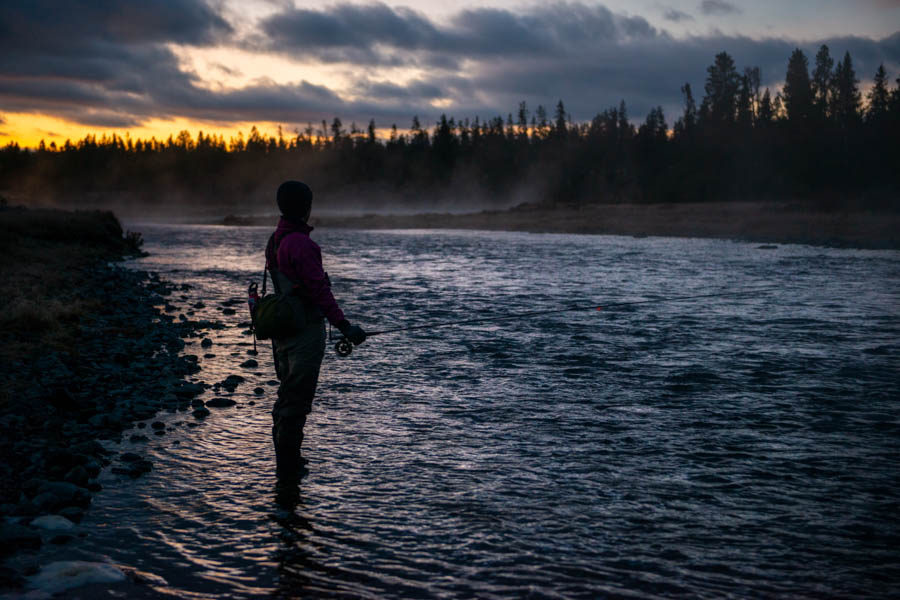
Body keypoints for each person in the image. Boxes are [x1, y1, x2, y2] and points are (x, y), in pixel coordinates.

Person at [265, 180, 366, 485]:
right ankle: (289, 471)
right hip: (304, 332)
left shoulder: (275, 239)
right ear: (306, 208)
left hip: (283, 331)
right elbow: (319, 291)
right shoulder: (302, 245)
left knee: (287, 396)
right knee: (296, 401)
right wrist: (345, 326)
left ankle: (286, 469)